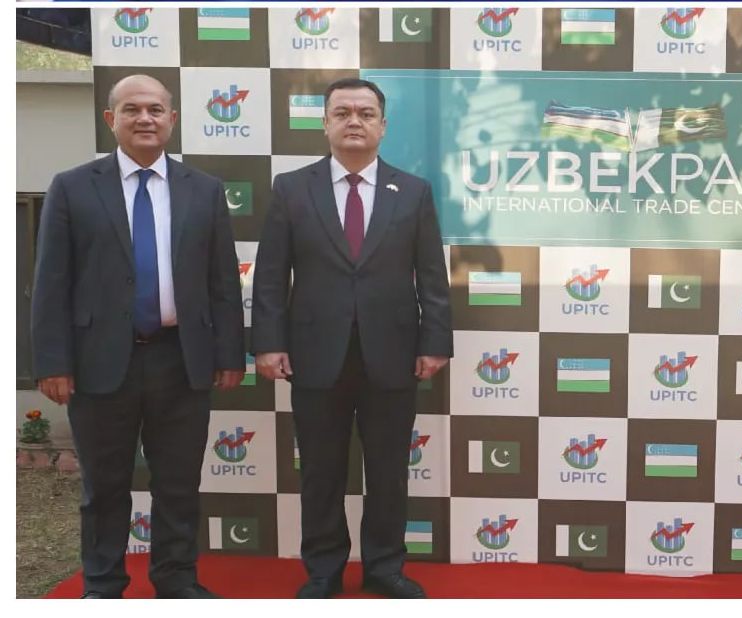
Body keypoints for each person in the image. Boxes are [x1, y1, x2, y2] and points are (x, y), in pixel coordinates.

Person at [31, 74, 245, 599]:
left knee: (178, 484)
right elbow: (51, 281)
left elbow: (222, 282)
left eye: (154, 109)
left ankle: (176, 580)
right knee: (104, 487)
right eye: (131, 109)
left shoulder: (204, 189)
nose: (144, 118)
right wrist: (52, 362)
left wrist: (229, 354)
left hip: (182, 361)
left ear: (172, 118)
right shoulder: (72, 186)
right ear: (112, 120)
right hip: (100, 362)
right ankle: (103, 585)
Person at [251, 78, 452, 599]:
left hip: (393, 355)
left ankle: (385, 567)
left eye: (366, 113)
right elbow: (270, 275)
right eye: (342, 112)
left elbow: (432, 276)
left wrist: (435, 341)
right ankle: (323, 571)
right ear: (325, 124)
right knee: (321, 471)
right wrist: (268, 342)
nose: (354, 121)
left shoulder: (413, 191)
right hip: (315, 355)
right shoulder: (292, 188)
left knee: (388, 472)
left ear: (383, 126)